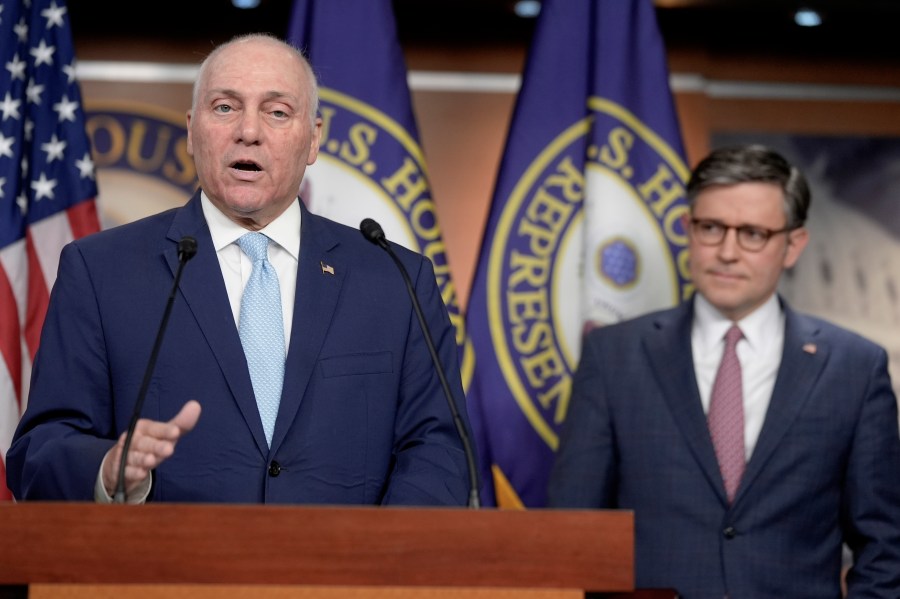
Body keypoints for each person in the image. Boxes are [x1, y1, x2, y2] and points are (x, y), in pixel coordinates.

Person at [7, 33, 473, 506]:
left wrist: (379, 563)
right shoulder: (101, 271)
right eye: (225, 107)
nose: (248, 131)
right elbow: (40, 452)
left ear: (314, 138)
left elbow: (438, 449)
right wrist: (107, 469)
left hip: (348, 574)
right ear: (192, 130)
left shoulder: (394, 279)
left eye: (277, 111)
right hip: (166, 573)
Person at [548, 145, 900, 597]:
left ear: (793, 245)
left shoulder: (853, 368)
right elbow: (573, 534)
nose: (728, 252)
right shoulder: (613, 357)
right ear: (687, 229)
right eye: (711, 228)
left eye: (753, 233)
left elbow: (885, 548)